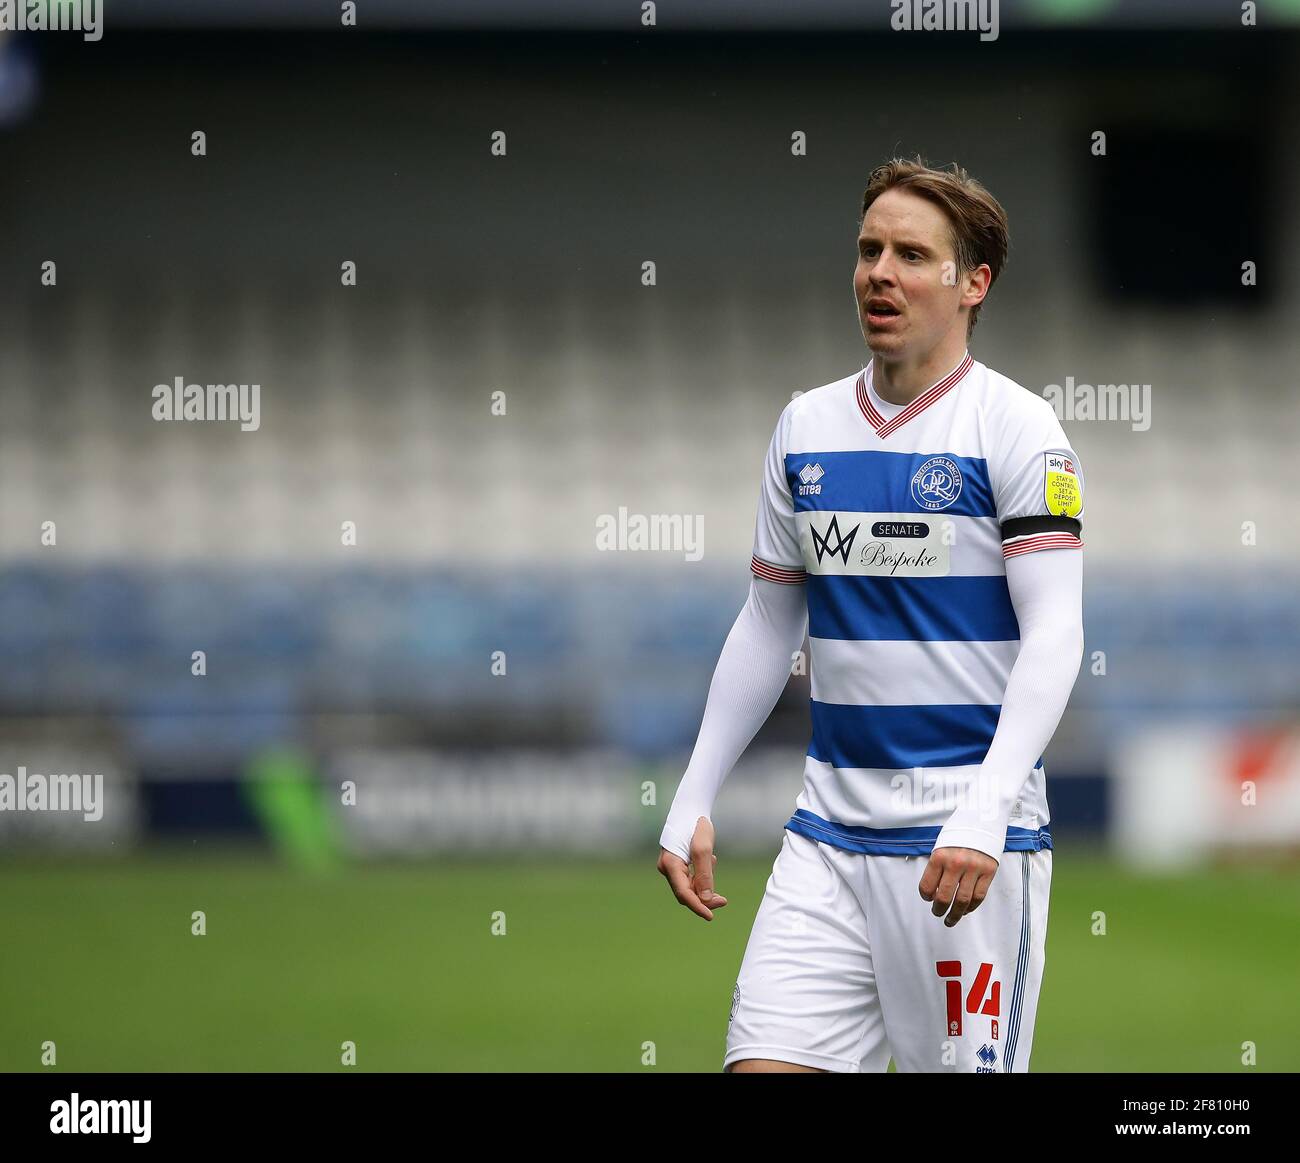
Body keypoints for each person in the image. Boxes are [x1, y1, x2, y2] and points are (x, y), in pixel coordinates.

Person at [657, 157, 1085, 1073]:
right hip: (826, 837)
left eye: (910, 254)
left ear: (973, 284)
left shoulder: (1018, 430)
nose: (879, 272)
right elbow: (770, 621)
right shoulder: (805, 427)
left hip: (963, 851)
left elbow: (1056, 633)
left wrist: (984, 808)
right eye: (868, 250)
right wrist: (692, 794)